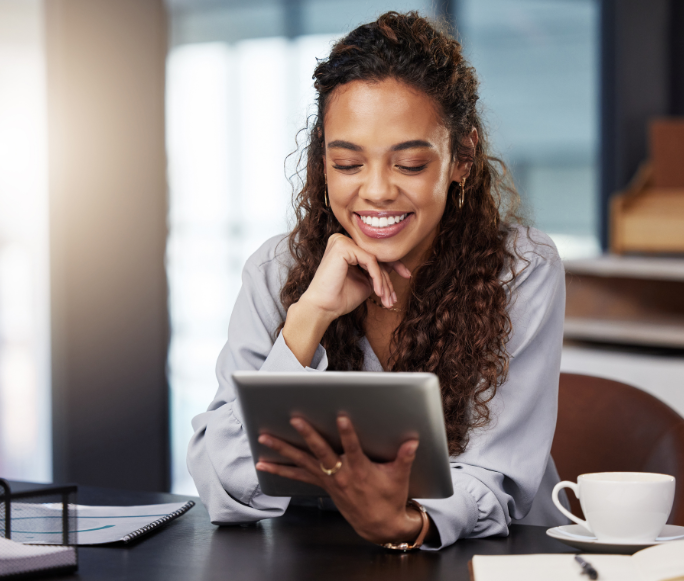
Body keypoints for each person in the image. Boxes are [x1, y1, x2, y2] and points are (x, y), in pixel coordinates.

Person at [187, 11, 569, 550]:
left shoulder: (521, 269)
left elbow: (495, 477)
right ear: (323, 163)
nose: (376, 191)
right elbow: (224, 485)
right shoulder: (277, 271)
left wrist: (408, 524)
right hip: (330, 558)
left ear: (462, 158)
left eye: (409, 164)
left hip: (490, 558)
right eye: (347, 164)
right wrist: (307, 320)